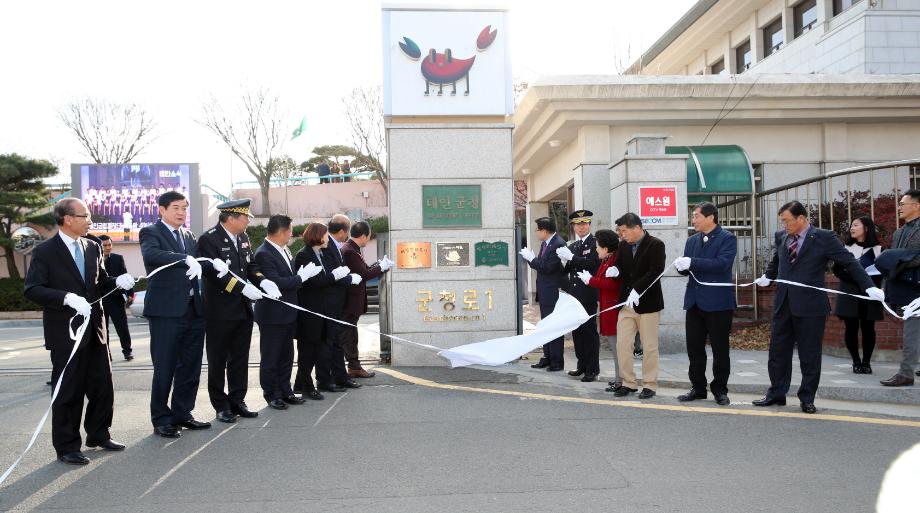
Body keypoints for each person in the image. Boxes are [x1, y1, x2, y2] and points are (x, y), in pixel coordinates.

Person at [24, 198, 135, 465]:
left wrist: (117, 282)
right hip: (66, 334)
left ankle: (98, 434)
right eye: (84, 215)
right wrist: (65, 297)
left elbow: (100, 282)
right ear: (67, 219)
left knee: (102, 387)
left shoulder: (92, 247)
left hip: (96, 329)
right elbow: (33, 289)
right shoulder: (45, 252)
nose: (89, 221)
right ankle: (67, 446)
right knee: (68, 391)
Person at [753, 201, 883, 413]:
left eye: (787, 220)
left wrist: (868, 287)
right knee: (778, 353)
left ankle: (807, 398)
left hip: (811, 307)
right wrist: (767, 277)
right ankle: (776, 393)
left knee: (809, 354)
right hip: (784, 304)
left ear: (801, 218)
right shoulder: (782, 237)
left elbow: (850, 262)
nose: (784, 225)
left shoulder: (824, 237)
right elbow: (776, 263)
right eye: (782, 221)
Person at [140, 191, 216, 438]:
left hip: (194, 310)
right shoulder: (151, 232)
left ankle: (183, 413)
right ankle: (161, 418)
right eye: (176, 208)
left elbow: (198, 263)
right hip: (166, 312)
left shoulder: (188, 235)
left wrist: (213, 263)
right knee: (165, 367)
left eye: (184, 208)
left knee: (190, 367)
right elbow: (152, 255)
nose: (182, 212)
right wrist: (185, 258)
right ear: (161, 209)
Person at [197, 199, 272, 423]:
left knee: (240, 358)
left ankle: (238, 400)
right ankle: (221, 405)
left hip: (242, 310)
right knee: (218, 360)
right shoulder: (208, 239)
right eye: (245, 217)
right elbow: (213, 275)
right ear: (230, 218)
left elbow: (250, 267)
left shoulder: (243, 238)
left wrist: (262, 281)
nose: (248, 221)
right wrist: (242, 289)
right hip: (219, 311)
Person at [254, 215, 321, 409]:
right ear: (281, 231)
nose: (291, 235)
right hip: (273, 315)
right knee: (271, 357)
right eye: (290, 231)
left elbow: (288, 278)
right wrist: (301, 277)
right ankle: (271, 394)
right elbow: (276, 282)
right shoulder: (264, 253)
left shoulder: (285, 249)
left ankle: (286, 391)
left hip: (289, 312)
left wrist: (300, 276)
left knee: (286, 356)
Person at [674, 202, 737, 406]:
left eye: (696, 216)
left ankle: (720, 389)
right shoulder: (692, 240)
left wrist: (693, 263)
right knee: (694, 349)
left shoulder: (727, 238)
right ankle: (698, 388)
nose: (693, 220)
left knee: (720, 349)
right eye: (693, 216)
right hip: (694, 302)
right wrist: (681, 267)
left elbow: (722, 264)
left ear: (711, 217)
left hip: (718, 303)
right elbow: (688, 268)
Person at [293, 222, 356, 397]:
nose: (328, 238)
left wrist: (337, 276)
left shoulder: (319, 253)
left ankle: (310, 383)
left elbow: (323, 279)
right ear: (318, 236)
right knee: (307, 352)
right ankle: (306, 385)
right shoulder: (303, 255)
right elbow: (312, 282)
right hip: (310, 310)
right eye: (326, 235)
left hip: (323, 308)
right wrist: (333, 276)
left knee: (319, 349)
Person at [608, 213, 665, 399]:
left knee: (649, 346)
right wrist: (614, 270)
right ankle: (628, 383)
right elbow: (620, 267)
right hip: (626, 304)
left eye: (624, 231)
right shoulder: (623, 245)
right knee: (623, 344)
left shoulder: (656, 244)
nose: (622, 235)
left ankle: (649, 384)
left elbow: (655, 271)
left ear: (637, 228)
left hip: (648, 304)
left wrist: (638, 289)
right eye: (620, 231)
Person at [340, 221, 394, 378]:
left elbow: (363, 270)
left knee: (351, 334)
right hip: (350, 302)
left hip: (353, 300)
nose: (368, 239)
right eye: (368, 236)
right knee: (349, 336)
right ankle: (353, 367)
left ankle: (354, 366)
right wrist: (381, 267)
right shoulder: (350, 251)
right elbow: (364, 274)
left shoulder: (353, 249)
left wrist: (378, 265)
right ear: (363, 236)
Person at [833, 216, 883, 375]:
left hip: (870, 293)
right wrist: (857, 278)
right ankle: (856, 361)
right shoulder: (846, 249)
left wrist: (869, 283)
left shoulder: (879, 250)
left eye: (855, 225)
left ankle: (866, 362)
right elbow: (837, 271)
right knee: (851, 327)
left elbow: (882, 273)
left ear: (866, 228)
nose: (851, 228)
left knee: (869, 328)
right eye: (851, 226)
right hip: (849, 291)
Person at [880, 189, 920, 386]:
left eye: (903, 204)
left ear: (916, 205)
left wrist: (900, 259)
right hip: (902, 287)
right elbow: (891, 261)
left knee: (911, 331)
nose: (899, 208)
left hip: (917, 288)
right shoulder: (899, 232)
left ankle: (906, 374)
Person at [320, 214, 364, 390]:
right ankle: (330, 378)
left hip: (338, 302)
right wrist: (348, 279)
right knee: (331, 342)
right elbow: (331, 274)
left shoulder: (336, 245)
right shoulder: (327, 245)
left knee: (337, 342)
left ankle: (340, 377)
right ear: (342, 231)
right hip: (330, 302)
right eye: (347, 231)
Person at [557, 210, 601, 382]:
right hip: (574, 296)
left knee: (589, 333)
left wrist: (572, 258)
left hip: (588, 295)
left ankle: (592, 369)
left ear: (589, 224)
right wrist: (563, 260)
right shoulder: (573, 245)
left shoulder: (595, 243)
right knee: (578, 332)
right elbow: (566, 270)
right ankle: (581, 365)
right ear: (573, 226)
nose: (581, 227)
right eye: (577, 224)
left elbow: (592, 264)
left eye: (584, 223)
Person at [520, 216, 567, 371]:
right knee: (546, 325)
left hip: (553, 291)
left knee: (553, 326)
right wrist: (532, 259)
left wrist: (531, 259)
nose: (536, 233)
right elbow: (542, 266)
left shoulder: (558, 244)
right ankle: (547, 357)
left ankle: (556, 361)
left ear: (545, 231)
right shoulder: (546, 243)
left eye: (538, 230)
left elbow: (547, 268)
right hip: (545, 290)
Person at [581, 229, 623, 391]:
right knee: (615, 347)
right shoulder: (607, 260)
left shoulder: (614, 261)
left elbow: (612, 284)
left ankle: (621, 380)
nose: (596, 249)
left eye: (598, 246)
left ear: (605, 248)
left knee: (617, 347)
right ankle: (618, 378)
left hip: (613, 309)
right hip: (607, 308)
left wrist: (591, 280)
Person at [97, 235, 135, 361]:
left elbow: (125, 275)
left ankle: (127, 351)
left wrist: (130, 293)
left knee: (122, 327)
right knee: (103, 329)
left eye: (109, 245)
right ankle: (106, 354)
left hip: (116, 299)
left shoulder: (118, 259)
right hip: (100, 299)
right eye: (104, 245)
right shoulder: (93, 259)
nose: (108, 248)